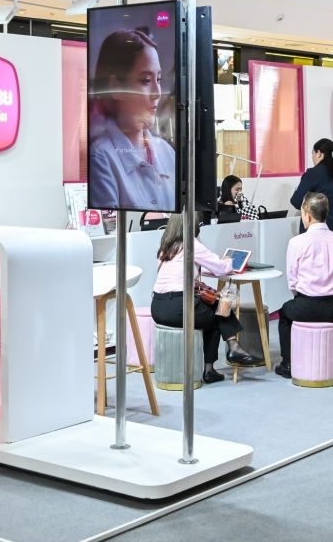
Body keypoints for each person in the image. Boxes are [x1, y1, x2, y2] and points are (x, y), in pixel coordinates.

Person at [151, 213, 263, 384]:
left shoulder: (166, 247)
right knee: (220, 312)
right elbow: (220, 268)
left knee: (216, 309)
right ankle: (226, 354)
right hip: (178, 308)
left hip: (158, 307)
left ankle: (229, 351)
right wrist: (228, 261)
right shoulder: (191, 244)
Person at [88, 29, 177, 211]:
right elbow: (110, 223)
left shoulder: (167, 152)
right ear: (115, 87)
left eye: (158, 79)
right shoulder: (101, 157)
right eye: (146, 80)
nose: (157, 93)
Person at [274, 193, 333, 380]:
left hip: (306, 305)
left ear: (307, 215)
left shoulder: (296, 242)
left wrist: (301, 297)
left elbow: (293, 281)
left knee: (284, 314)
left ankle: (288, 364)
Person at [290, 138, 333, 247]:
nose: (313, 157)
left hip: (321, 237)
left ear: (319, 153)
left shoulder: (313, 174)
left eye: (313, 153)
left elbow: (296, 201)